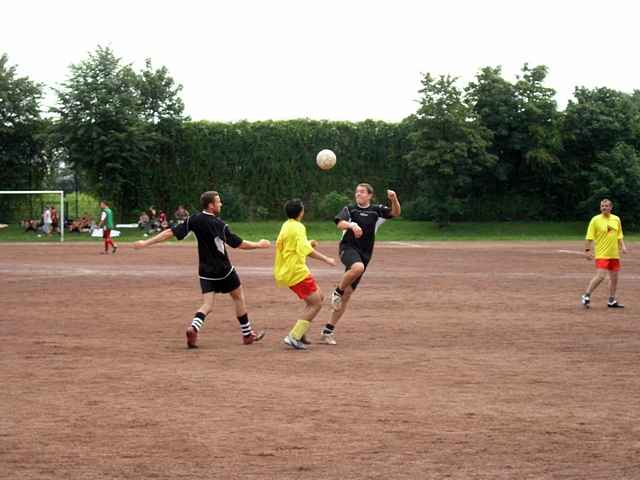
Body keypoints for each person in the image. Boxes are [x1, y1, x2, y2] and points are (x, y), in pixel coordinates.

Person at [133, 190, 271, 348]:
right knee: (238, 296)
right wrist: (260, 244)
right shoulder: (219, 224)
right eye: (218, 202)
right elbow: (239, 244)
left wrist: (146, 243)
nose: (221, 204)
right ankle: (247, 335)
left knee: (207, 304)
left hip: (205, 271)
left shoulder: (194, 219)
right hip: (224, 269)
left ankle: (194, 327)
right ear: (211, 205)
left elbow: (171, 232)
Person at [322, 183, 401, 344]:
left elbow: (396, 213)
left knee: (348, 294)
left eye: (362, 192)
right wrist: (351, 224)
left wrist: (394, 199)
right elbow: (339, 223)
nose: (358, 194)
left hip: (365, 253)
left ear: (370, 195)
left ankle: (327, 331)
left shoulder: (376, 210)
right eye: (357, 192)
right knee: (357, 268)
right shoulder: (350, 209)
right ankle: (337, 291)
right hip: (348, 248)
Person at [274, 199, 336, 350]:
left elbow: (296, 246)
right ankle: (294, 336)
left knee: (318, 297)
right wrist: (326, 259)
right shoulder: (299, 227)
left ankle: (301, 333)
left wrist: (308, 243)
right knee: (316, 303)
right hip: (296, 272)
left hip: (290, 270)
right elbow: (305, 251)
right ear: (301, 212)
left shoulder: (287, 225)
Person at [581, 198, 629, 309]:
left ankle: (611, 300)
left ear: (611, 207)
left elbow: (619, 235)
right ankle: (586, 295)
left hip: (614, 254)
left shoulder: (616, 219)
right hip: (602, 254)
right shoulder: (595, 220)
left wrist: (623, 246)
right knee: (601, 276)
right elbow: (589, 237)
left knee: (614, 279)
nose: (604, 207)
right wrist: (587, 251)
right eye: (602, 206)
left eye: (606, 206)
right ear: (600, 208)